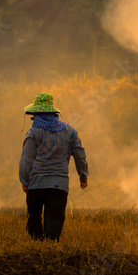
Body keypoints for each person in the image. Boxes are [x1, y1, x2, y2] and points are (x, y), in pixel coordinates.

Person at [18, 92, 88, 242]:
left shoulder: (33, 132)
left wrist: (24, 181)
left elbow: (26, 159)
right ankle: (51, 245)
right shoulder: (70, 131)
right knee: (55, 217)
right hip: (59, 184)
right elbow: (79, 154)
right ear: (53, 112)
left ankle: (37, 244)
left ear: (36, 113)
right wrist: (83, 175)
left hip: (36, 184)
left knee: (34, 215)